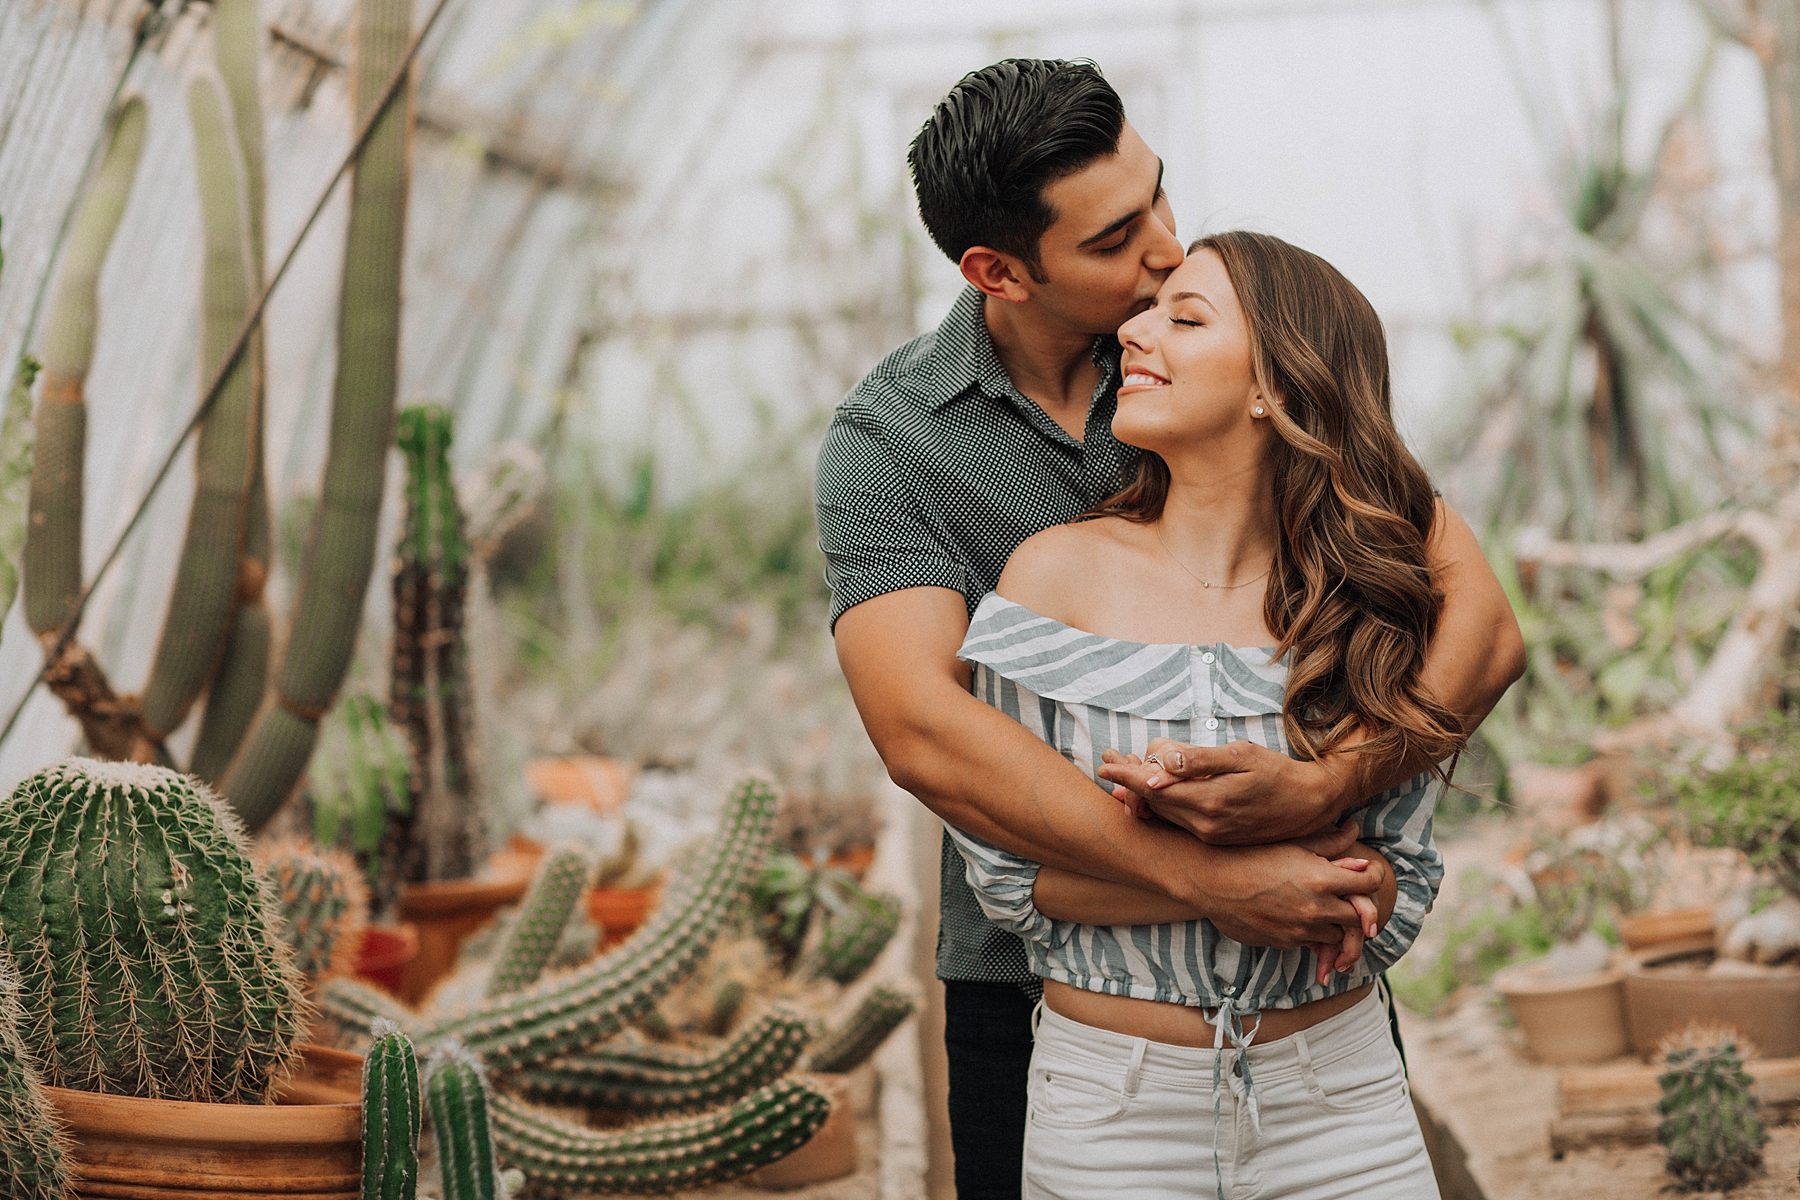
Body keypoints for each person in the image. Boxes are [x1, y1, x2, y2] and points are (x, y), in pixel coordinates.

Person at [817, 59, 1524, 1199]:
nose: (1160, 245)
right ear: (995, 270)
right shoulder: (890, 442)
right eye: (1113, 241)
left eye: (1157, 195)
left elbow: (1479, 621)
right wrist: (1216, 881)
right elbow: (921, 732)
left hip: (1310, 992)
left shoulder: (1217, 340)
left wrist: (1319, 787)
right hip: (1047, 998)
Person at [949, 229, 1455, 1199]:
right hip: (1111, 1112)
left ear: (1275, 386)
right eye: (1150, 311)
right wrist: (1244, 881)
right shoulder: (1054, 575)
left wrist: (1343, 887)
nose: (1136, 332)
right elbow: (1011, 877)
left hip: (1342, 1103)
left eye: (1185, 317)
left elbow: (1404, 869)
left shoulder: (1369, 596)